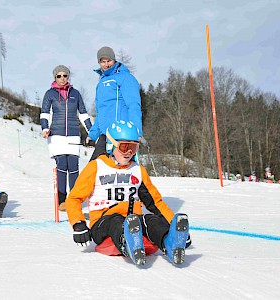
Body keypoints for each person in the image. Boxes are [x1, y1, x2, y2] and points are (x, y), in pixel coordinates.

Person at [66, 120, 191, 265]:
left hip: (133, 220)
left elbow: (155, 203)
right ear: (110, 145)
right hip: (103, 222)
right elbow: (74, 198)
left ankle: (170, 242)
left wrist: (171, 224)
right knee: (116, 221)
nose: (129, 153)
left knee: (150, 221)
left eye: (134, 148)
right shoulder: (96, 167)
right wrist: (78, 224)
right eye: (124, 147)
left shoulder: (137, 170)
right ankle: (128, 243)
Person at [40, 65, 92, 211]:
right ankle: (61, 200)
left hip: (73, 134)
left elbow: (83, 114)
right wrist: (45, 128)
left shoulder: (75, 93)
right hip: (56, 134)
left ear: (68, 77)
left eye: (65, 76)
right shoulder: (49, 94)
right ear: (54, 77)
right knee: (62, 165)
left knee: (73, 166)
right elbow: (45, 113)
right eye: (59, 76)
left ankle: (73, 199)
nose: (62, 78)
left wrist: (91, 132)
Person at [85, 46, 143, 160]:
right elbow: (101, 112)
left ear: (114, 60)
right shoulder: (101, 82)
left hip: (122, 134)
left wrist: (136, 131)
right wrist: (93, 134)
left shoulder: (125, 77)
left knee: (124, 171)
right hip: (105, 135)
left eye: (109, 61)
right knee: (95, 170)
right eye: (103, 62)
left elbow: (133, 105)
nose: (106, 64)